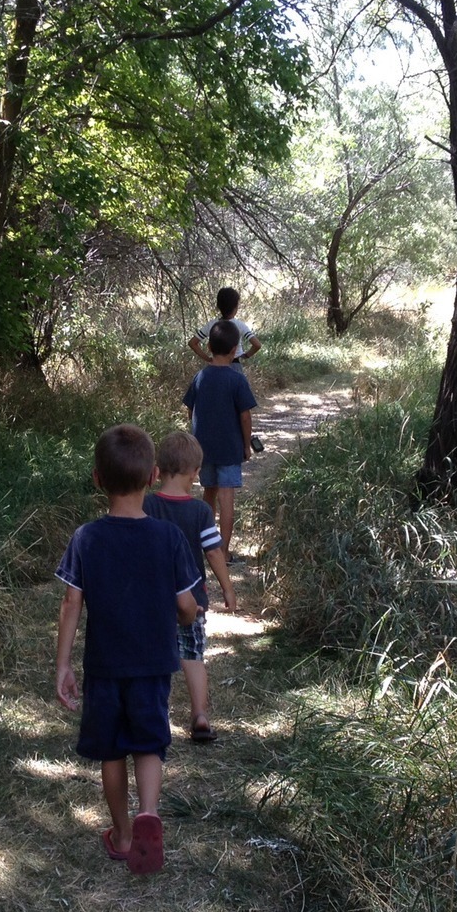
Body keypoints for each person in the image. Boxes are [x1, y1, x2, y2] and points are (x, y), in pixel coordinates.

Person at [55, 424, 200, 875]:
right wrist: (187, 617)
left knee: (112, 751)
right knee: (150, 742)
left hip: (105, 665)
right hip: (154, 663)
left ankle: (120, 835)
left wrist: (63, 664)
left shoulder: (86, 538)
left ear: (97, 479)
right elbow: (186, 605)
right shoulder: (169, 538)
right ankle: (149, 814)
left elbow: (70, 602)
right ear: (153, 474)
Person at [144, 432, 237, 743]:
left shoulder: (146, 504)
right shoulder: (200, 512)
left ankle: (152, 715)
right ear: (196, 473)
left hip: (151, 598)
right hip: (192, 599)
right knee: (193, 655)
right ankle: (199, 714)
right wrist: (228, 588)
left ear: (158, 470)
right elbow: (213, 551)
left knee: (154, 656)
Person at [183, 320, 257, 562]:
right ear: (235, 349)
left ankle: (206, 545)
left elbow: (190, 409)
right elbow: (245, 416)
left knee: (208, 494)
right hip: (229, 449)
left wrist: (195, 439)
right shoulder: (236, 380)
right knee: (227, 499)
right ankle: (223, 553)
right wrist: (246, 445)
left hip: (204, 450)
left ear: (210, 346)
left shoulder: (200, 376)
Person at [190, 285, 262, 368]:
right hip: (235, 364)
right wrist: (246, 355)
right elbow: (257, 345)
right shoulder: (240, 325)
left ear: (219, 306)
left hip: (215, 365)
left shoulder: (211, 324)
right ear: (235, 307)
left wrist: (208, 359)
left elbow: (192, 343)